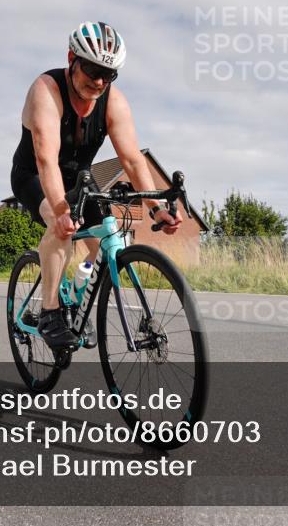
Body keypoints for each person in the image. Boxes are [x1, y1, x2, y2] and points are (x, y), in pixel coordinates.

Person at [11, 22, 183, 348]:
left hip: (80, 182)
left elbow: (132, 160)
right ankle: (50, 313)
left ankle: (76, 301)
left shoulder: (113, 102)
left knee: (105, 241)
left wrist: (156, 208)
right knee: (61, 226)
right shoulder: (46, 91)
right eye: (92, 69)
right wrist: (62, 211)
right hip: (33, 175)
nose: (100, 81)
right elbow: (46, 159)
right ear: (71, 57)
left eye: (109, 74)